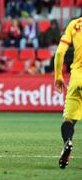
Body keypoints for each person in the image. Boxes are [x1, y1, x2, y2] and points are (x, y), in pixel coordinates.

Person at [54, 17, 82, 168]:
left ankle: (67, 143)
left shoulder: (74, 24)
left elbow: (59, 53)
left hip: (77, 78)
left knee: (69, 119)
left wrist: (58, 75)